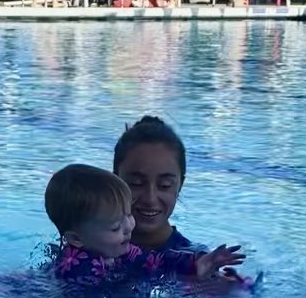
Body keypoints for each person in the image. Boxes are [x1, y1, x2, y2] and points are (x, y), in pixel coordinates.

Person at [45, 163, 241, 287]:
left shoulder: (120, 249)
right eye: (115, 227)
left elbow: (158, 260)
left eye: (128, 215)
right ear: (76, 239)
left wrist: (197, 262)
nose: (129, 227)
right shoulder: (78, 271)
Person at [114, 116, 244, 272]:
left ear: (180, 185)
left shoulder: (196, 263)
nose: (150, 199)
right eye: (136, 183)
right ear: (115, 182)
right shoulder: (84, 238)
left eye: (164, 185)